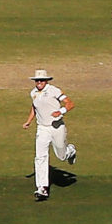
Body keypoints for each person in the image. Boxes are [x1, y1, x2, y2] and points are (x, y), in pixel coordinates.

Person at [23, 69, 77, 202]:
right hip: (42, 128)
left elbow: (70, 103)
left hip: (56, 127)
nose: (39, 83)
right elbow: (34, 108)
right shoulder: (33, 93)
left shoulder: (54, 90)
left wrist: (61, 111)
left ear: (46, 81)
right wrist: (29, 121)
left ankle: (71, 150)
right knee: (40, 156)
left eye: (41, 80)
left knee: (61, 155)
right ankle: (42, 188)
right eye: (37, 81)